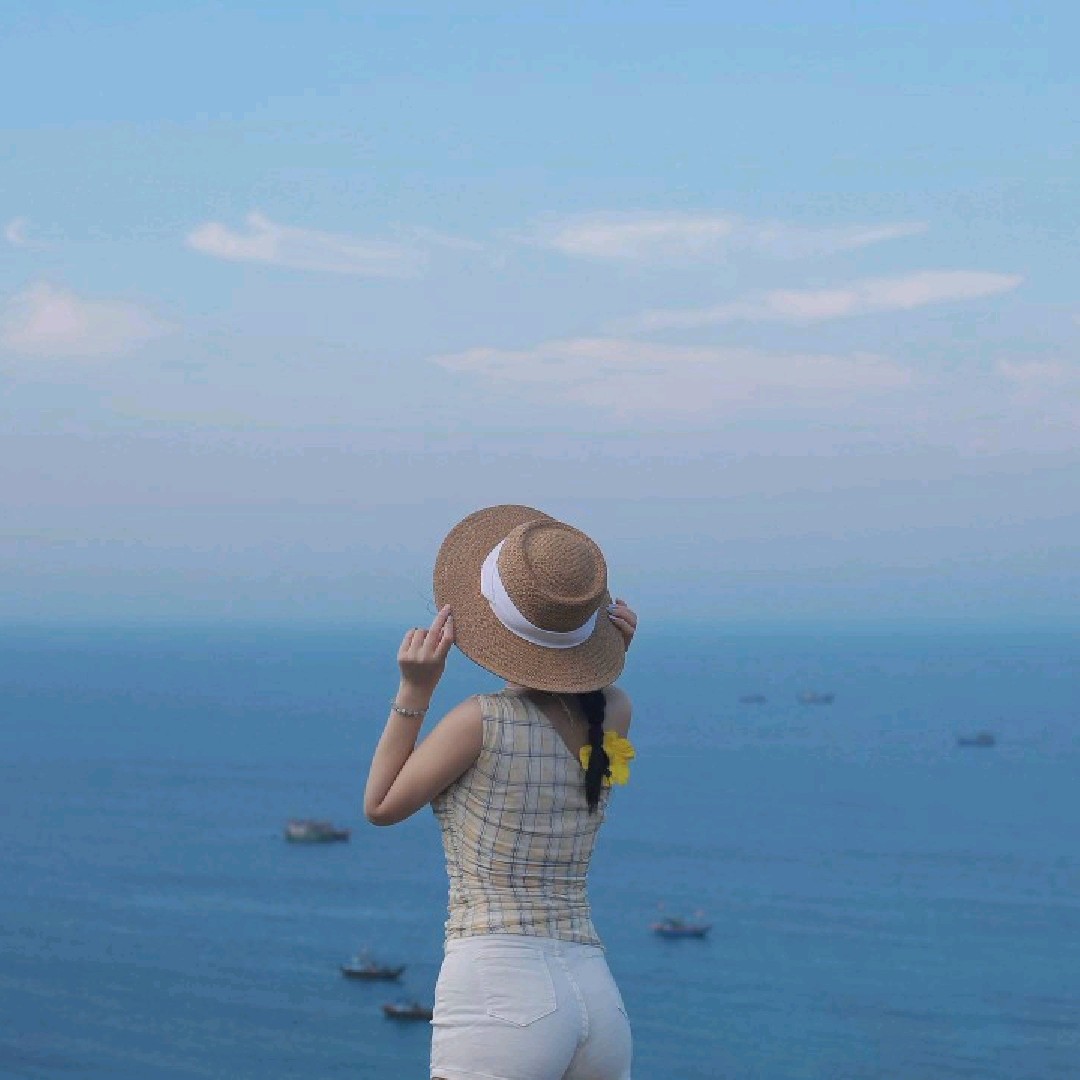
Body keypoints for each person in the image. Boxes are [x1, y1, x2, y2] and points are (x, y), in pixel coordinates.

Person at [364, 504, 638, 1080]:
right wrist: (597, 663)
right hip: (597, 1001)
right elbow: (585, 765)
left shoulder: (480, 721)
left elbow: (381, 805)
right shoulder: (615, 712)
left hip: (500, 990)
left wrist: (414, 689)